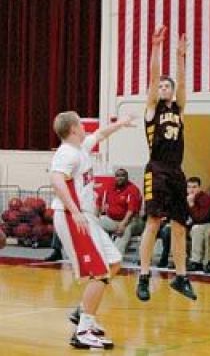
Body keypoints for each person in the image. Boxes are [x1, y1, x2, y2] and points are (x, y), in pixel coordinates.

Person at [50, 111, 135, 349]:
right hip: (72, 216)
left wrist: (121, 123)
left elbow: (100, 134)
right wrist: (75, 211)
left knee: (114, 262)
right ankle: (83, 331)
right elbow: (56, 180)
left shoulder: (81, 148)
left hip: (87, 217)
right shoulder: (66, 153)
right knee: (99, 271)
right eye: (80, 122)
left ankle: (82, 312)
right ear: (74, 129)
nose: (85, 125)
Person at [136, 26, 197, 301]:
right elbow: (152, 78)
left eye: (166, 85)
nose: (162, 88)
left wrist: (181, 57)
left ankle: (181, 277)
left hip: (176, 172)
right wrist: (156, 47)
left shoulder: (178, 109)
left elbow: (183, 86)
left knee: (180, 225)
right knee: (153, 221)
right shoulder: (152, 107)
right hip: (157, 169)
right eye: (160, 86)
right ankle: (144, 275)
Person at [98, 168, 143, 255]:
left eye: (123, 175)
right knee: (96, 224)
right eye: (118, 176)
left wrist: (123, 224)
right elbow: (98, 203)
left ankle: (116, 258)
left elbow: (131, 211)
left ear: (127, 177)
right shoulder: (109, 187)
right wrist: (95, 218)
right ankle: (102, 254)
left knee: (125, 230)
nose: (120, 178)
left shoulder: (133, 189)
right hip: (114, 220)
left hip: (132, 222)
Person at [186, 177, 210, 272]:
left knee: (198, 229)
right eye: (189, 187)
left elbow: (200, 218)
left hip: (207, 224)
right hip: (191, 225)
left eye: (194, 187)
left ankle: (197, 261)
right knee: (173, 228)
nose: (191, 190)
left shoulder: (206, 199)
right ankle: (174, 260)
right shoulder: (184, 198)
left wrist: (191, 205)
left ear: (199, 188)